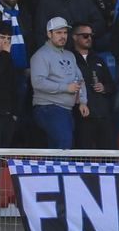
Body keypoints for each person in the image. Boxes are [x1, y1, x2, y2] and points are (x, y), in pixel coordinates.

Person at [31, 17, 84, 149]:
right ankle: (60, 171)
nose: (63, 36)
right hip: (49, 108)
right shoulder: (41, 55)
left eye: (65, 33)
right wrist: (65, 88)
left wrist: (83, 101)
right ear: (49, 34)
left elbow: (80, 79)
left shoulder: (69, 55)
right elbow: (38, 82)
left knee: (59, 148)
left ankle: (55, 170)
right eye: (58, 33)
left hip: (67, 109)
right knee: (63, 145)